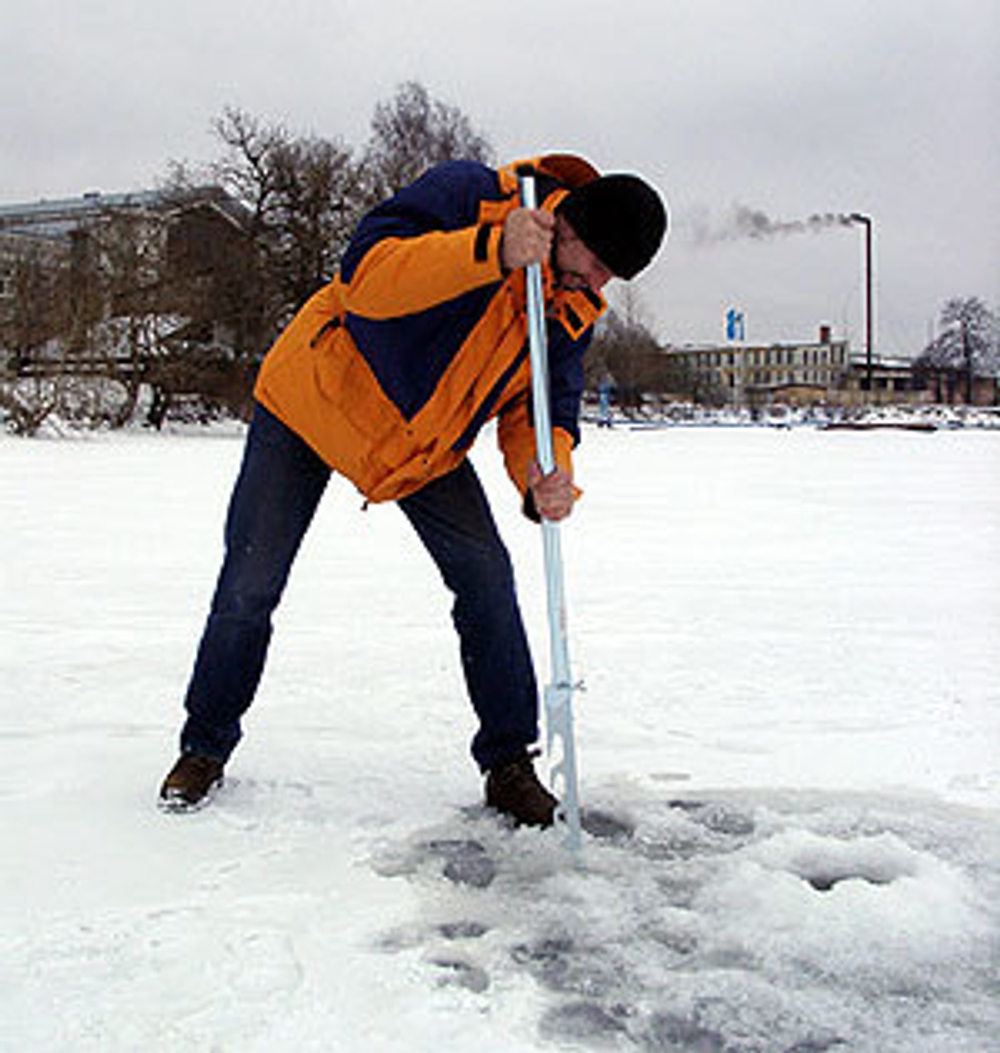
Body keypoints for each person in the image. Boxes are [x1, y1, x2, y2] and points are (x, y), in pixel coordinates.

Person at [158, 153, 667, 827]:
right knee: (251, 581)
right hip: (312, 398)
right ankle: (204, 746)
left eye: (613, 275)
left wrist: (548, 471)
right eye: (599, 262)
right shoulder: (470, 195)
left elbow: (540, 412)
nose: (599, 283)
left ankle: (509, 762)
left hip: (417, 446)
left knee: (486, 576)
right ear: (566, 222)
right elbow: (364, 278)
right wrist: (491, 251)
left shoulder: (570, 307)